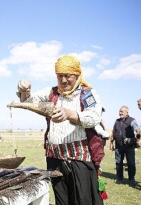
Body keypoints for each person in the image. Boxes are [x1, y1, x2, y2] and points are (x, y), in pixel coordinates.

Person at [17, 55, 103, 204]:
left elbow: (94, 117)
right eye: (60, 76)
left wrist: (69, 114)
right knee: (62, 200)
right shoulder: (51, 93)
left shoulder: (87, 94)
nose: (63, 80)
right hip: (54, 159)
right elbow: (28, 101)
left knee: (83, 200)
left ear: (77, 75)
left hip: (79, 160)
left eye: (68, 76)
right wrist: (24, 91)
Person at [109, 105, 140, 185]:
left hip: (129, 146)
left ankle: (131, 179)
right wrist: (111, 143)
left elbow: (138, 130)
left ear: (127, 112)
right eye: (119, 111)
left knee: (131, 163)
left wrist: (136, 139)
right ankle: (119, 178)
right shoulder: (117, 121)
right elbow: (113, 132)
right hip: (118, 146)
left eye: (122, 111)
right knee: (118, 162)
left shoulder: (132, 120)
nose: (120, 113)